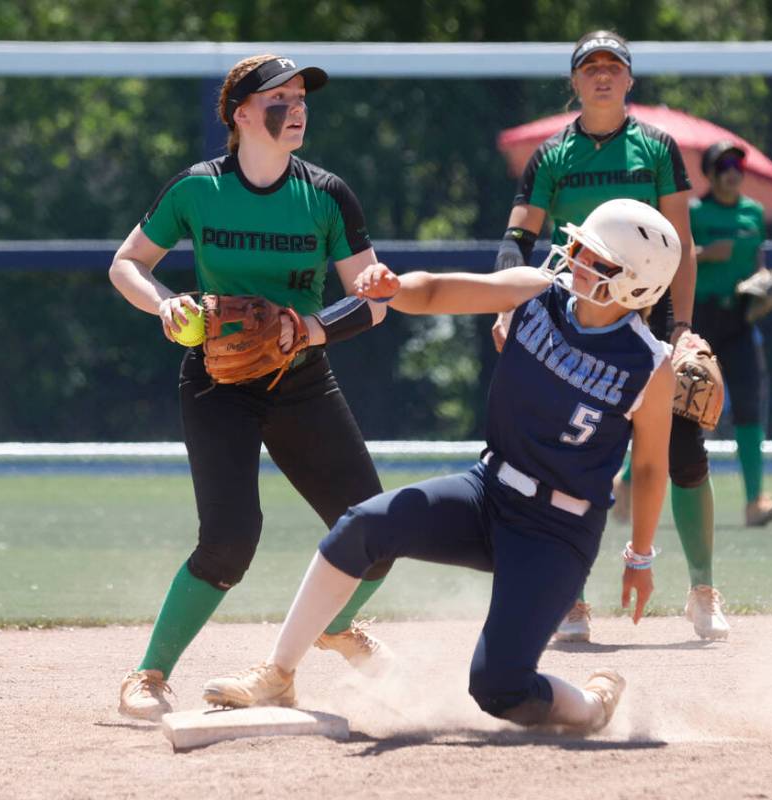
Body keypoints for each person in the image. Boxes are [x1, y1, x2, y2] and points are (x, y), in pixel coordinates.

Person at [201, 198, 678, 733]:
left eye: (599, 260)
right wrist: (394, 288)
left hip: (557, 532)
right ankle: (278, 673)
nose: (579, 261)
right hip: (488, 491)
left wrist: (639, 557)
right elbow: (436, 291)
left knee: (499, 688)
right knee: (361, 527)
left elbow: (651, 468)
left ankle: (590, 707)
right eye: (582, 247)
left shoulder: (650, 366)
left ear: (637, 286)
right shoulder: (537, 290)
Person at [108, 54, 395, 721]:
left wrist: (312, 331)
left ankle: (331, 625)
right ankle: (148, 675)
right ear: (240, 112)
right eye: (280, 97)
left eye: (301, 97)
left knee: (376, 531)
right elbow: (128, 263)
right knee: (229, 539)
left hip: (301, 379)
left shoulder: (326, 194)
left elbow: (374, 298)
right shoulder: (197, 189)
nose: (297, 107)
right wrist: (163, 305)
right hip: (218, 380)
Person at [491, 31, 728, 642]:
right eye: (590, 67)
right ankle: (567, 600)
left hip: (644, 320)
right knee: (566, 460)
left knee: (682, 452)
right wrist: (504, 301)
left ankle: (702, 589)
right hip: (574, 321)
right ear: (574, 81)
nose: (601, 76)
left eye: (613, 67)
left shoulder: (656, 148)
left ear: (629, 81)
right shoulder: (551, 155)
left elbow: (681, 247)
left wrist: (681, 328)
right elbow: (519, 239)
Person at [691, 140, 772, 527]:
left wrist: (766, 283)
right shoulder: (695, 212)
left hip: (738, 320)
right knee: (679, 409)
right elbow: (674, 257)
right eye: (725, 165)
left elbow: (758, 261)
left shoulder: (753, 212)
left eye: (738, 166)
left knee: (749, 406)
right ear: (711, 174)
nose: (733, 172)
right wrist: (702, 253)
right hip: (700, 318)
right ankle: (631, 483)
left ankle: (754, 502)